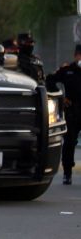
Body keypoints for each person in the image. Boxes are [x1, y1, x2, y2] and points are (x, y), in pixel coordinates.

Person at [46, 44, 81, 185]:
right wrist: (61, 98)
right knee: (70, 142)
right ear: (75, 56)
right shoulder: (68, 70)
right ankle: (67, 173)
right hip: (72, 111)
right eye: (79, 55)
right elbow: (50, 80)